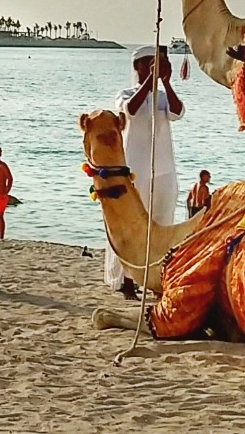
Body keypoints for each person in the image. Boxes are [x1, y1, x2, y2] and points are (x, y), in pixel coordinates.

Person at [106, 44, 183, 300]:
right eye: (149, 63)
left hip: (163, 169)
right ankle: (128, 281)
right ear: (137, 66)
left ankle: (158, 277)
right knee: (134, 224)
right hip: (136, 169)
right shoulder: (125, 94)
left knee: (162, 221)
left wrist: (166, 83)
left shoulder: (162, 97)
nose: (154, 66)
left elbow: (177, 112)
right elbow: (131, 110)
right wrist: (150, 80)